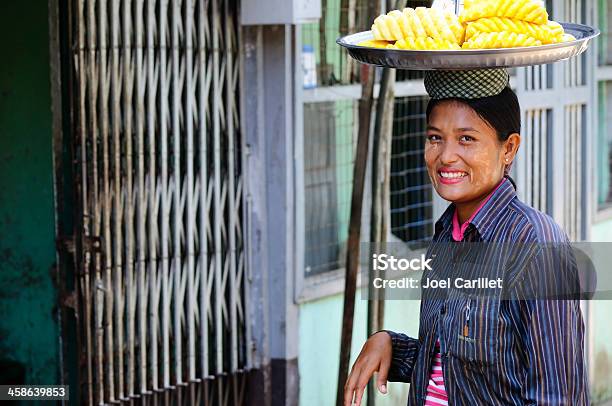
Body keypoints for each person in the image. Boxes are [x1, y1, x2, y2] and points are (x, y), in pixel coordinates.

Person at [343, 69, 588, 405]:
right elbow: (459, 368)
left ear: (509, 148)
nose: (445, 156)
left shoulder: (535, 244)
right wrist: (390, 345)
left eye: (466, 139)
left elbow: (558, 397)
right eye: (434, 138)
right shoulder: (445, 237)